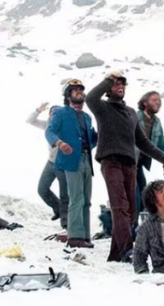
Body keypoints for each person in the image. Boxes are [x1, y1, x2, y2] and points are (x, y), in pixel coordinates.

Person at [86, 72, 164, 262]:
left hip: (129, 164)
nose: (120, 86)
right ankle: (128, 250)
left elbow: (142, 141)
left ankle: (116, 254)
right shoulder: (102, 108)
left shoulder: (130, 113)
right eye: (116, 84)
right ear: (109, 89)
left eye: (122, 84)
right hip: (111, 161)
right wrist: (109, 79)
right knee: (120, 207)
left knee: (132, 211)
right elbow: (90, 97)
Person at [46, 79, 98, 248]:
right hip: (70, 161)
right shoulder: (61, 113)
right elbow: (49, 131)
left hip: (86, 159)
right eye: (75, 90)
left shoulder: (87, 117)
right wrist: (60, 144)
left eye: (81, 90)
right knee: (76, 198)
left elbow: (91, 139)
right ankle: (75, 237)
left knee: (87, 200)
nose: (79, 92)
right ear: (68, 95)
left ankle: (85, 236)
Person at [27, 102, 69, 229]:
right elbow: (30, 120)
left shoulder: (65, 126)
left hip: (63, 164)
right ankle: (57, 208)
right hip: (50, 162)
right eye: (51, 113)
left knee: (65, 194)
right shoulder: (47, 125)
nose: (53, 115)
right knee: (42, 189)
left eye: (56, 113)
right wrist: (38, 110)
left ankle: (66, 221)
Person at [135, 91, 164, 221]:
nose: (158, 102)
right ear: (145, 103)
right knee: (135, 196)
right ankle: (132, 229)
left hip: (139, 164)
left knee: (144, 194)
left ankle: (142, 226)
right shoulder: (135, 117)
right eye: (154, 100)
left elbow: (161, 142)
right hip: (130, 161)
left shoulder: (156, 122)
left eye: (159, 100)